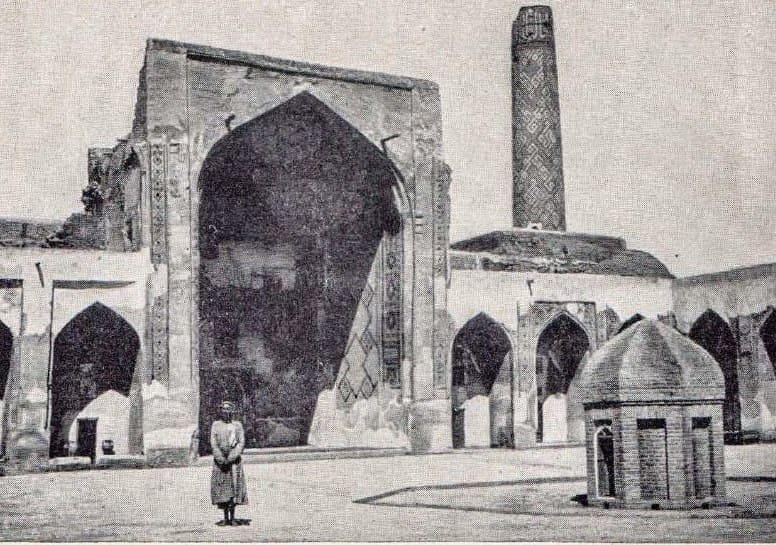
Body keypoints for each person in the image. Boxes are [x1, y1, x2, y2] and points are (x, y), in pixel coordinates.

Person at [210, 401, 248, 525]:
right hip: (220, 463)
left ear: (232, 411)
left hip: (234, 462)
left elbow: (241, 442)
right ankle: (225, 517)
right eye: (224, 409)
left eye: (228, 410)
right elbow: (214, 443)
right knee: (223, 489)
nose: (226, 412)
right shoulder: (216, 425)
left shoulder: (237, 425)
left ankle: (233, 518)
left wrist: (232, 456)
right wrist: (220, 458)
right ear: (220, 411)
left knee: (235, 488)